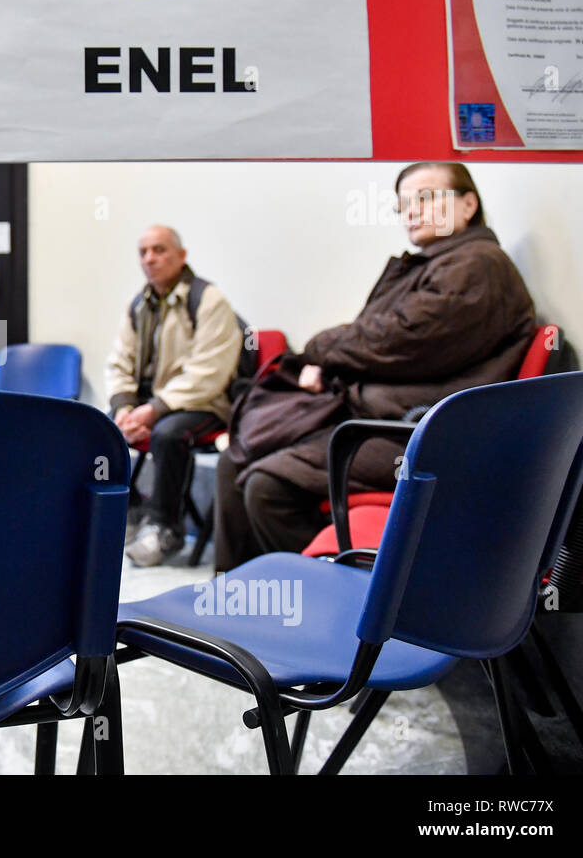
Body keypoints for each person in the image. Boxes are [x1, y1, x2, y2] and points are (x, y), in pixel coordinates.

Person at [213, 162, 537, 572]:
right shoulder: (438, 264)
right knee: (236, 457)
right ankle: (236, 600)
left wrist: (319, 352)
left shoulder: (478, 265)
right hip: (379, 419)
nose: (412, 212)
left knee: (265, 487)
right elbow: (379, 342)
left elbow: (403, 341)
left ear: (468, 204)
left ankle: (345, 597)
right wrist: (330, 365)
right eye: (403, 205)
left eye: (425, 198)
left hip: (421, 433)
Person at [106, 225, 243, 567]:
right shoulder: (137, 305)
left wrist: (152, 411)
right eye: (143, 252)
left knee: (168, 434)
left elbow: (208, 373)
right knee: (98, 429)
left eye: (159, 249)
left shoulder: (209, 300)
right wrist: (124, 408)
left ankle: (164, 526)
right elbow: (119, 361)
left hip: (204, 403)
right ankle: (132, 510)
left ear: (181, 256)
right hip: (150, 406)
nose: (150, 258)